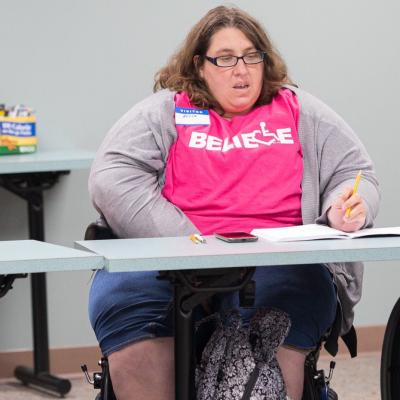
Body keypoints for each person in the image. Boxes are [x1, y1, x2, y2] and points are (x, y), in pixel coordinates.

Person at [88, 5, 379, 400]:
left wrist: (346, 207)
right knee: (129, 307)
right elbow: (111, 176)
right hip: (169, 258)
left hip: (278, 261)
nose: (241, 70)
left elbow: (354, 171)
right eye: (225, 59)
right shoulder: (167, 110)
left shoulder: (299, 110)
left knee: (270, 332)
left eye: (251, 56)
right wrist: (190, 246)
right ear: (199, 64)